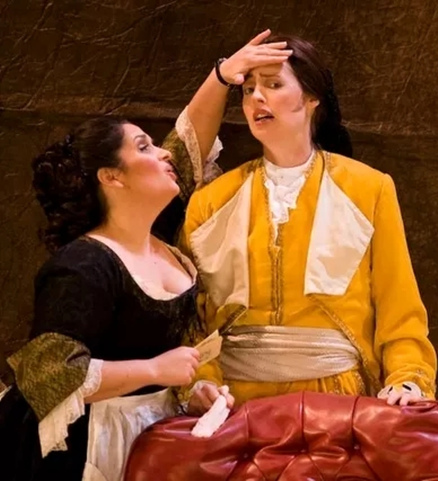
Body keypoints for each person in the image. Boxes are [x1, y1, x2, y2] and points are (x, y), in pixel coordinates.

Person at [0, 31, 291, 481]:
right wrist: (156, 369)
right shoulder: (84, 265)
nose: (162, 153)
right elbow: (48, 376)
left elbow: (188, 149)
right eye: (143, 147)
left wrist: (222, 77)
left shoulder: (160, 236)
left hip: (149, 431)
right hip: (83, 444)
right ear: (112, 177)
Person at [181, 33, 438, 416]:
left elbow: (398, 306)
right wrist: (200, 381)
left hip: (338, 403)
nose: (257, 98)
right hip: (235, 406)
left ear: (312, 97)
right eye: (248, 90)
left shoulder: (368, 189)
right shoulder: (211, 201)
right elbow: (192, 318)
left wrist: (408, 377)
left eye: (273, 84)